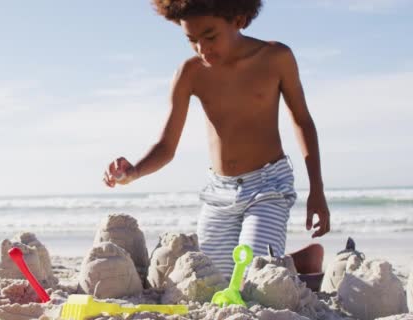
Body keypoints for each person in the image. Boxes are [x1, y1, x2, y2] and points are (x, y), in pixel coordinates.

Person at [103, 0, 329, 278]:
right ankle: (300, 262)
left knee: (250, 276)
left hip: (268, 185)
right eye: (192, 40)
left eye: (210, 37)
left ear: (239, 19)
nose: (202, 48)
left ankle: (284, 265)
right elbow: (166, 145)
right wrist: (134, 172)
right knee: (215, 280)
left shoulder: (275, 58)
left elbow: (302, 121)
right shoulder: (190, 73)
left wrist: (317, 189)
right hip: (219, 192)